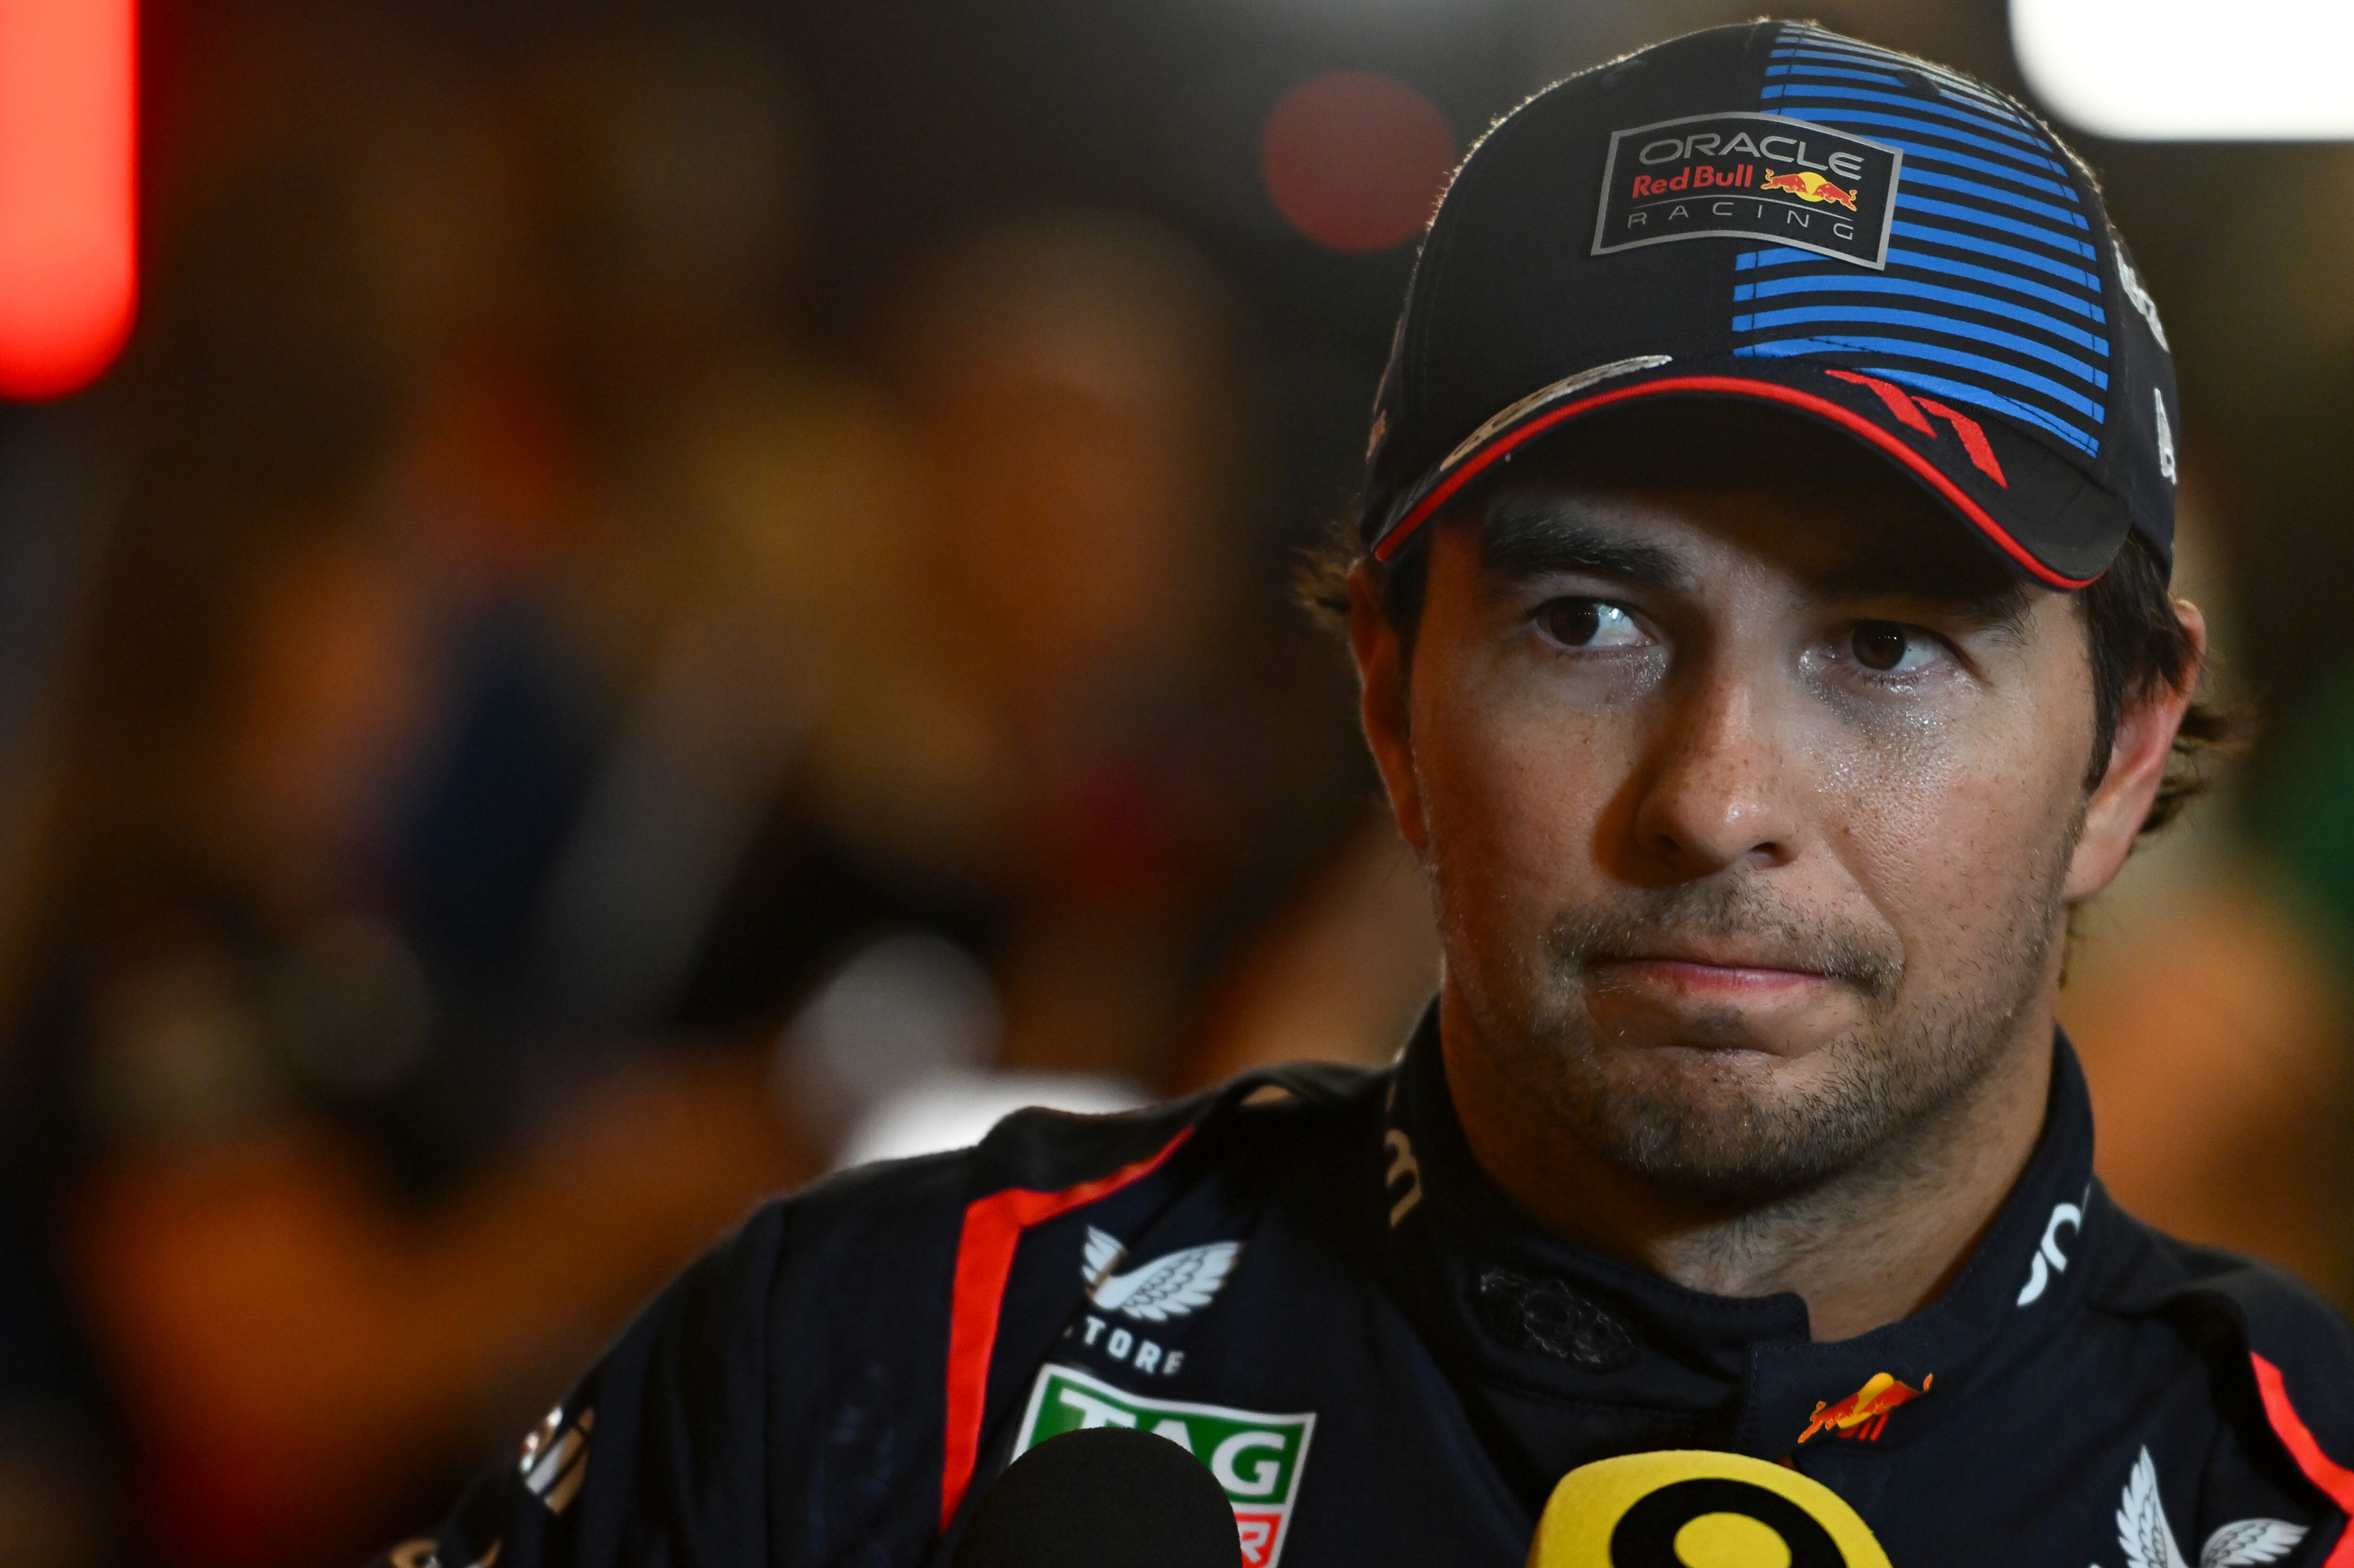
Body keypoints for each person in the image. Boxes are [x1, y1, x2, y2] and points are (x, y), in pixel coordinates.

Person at [376, 24, 2354, 1568]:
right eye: (1587, 619)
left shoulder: (2308, 1493)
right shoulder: (880, 1363)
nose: (1714, 794)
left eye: (1887, 644)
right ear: (1389, 700)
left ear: (2117, 745)